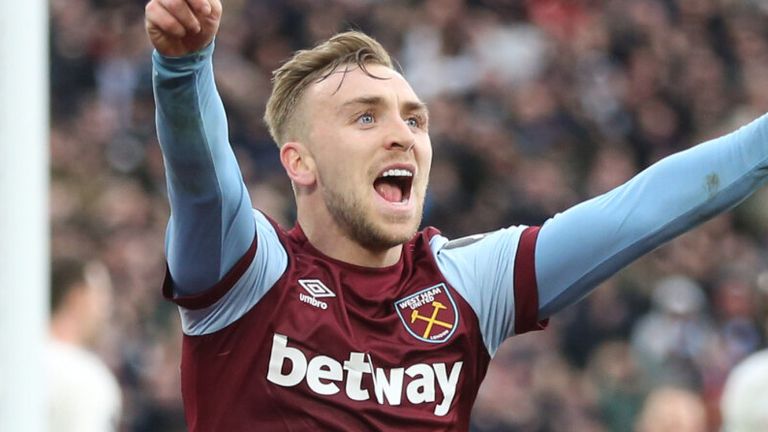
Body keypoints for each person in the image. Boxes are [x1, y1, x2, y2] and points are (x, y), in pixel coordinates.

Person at [145, 0, 768, 430]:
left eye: (414, 118)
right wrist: (183, 67)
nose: (403, 136)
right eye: (366, 117)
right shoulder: (251, 275)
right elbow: (201, 178)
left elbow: (638, 211)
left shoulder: (467, 283)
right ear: (299, 162)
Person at [48, 258, 122, 432]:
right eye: (102, 296)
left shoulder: (12, 361)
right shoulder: (85, 378)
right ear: (78, 297)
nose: (107, 310)